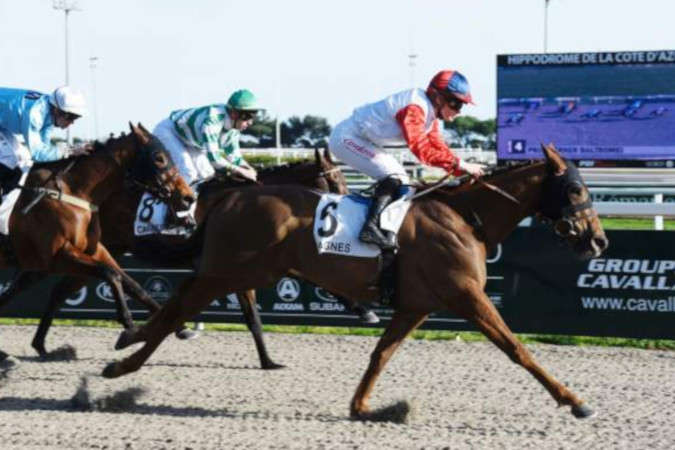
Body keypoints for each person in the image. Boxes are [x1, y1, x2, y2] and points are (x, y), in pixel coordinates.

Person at [329, 69, 486, 250]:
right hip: (346, 137)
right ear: (438, 97)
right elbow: (422, 150)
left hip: (363, 140)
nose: (458, 111)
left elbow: (438, 147)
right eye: (456, 103)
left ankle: (382, 228)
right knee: (395, 176)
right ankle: (369, 228)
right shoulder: (415, 108)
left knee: (404, 181)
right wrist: (461, 164)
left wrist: (462, 171)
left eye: (461, 106)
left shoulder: (431, 115)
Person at [153, 89, 261, 188]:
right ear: (234, 114)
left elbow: (235, 157)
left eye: (253, 117)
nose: (250, 122)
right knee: (188, 172)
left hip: (190, 141)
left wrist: (249, 169)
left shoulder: (234, 129)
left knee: (207, 174)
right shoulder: (213, 120)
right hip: (169, 132)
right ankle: (163, 202)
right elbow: (214, 159)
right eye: (247, 117)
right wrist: (240, 171)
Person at [0, 86, 90, 197]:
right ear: (57, 110)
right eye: (71, 117)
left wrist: (68, 151)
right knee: (12, 159)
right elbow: (37, 154)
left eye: (76, 117)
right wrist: (70, 150)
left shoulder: (49, 111)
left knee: (23, 158)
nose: (72, 122)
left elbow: (44, 147)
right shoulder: (35, 114)